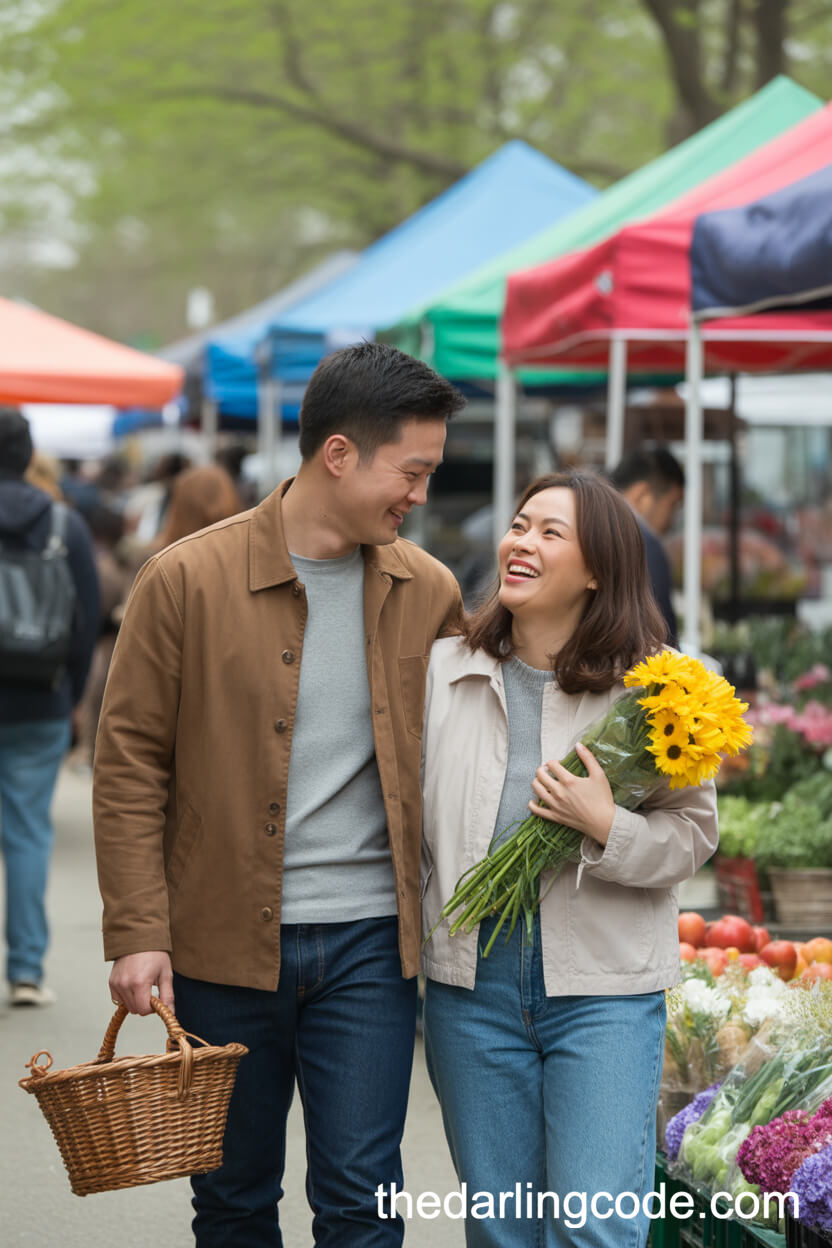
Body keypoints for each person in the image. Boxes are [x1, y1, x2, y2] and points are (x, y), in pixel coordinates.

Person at [93, 342, 465, 1247]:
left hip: (373, 947)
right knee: (231, 1198)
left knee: (362, 1197)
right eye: (410, 472)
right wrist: (139, 929)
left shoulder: (430, 592)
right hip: (221, 948)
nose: (419, 495)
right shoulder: (185, 580)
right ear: (338, 454)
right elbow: (130, 762)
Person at [420, 471, 718, 1248]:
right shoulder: (445, 671)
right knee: (502, 1229)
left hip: (602, 991)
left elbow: (692, 838)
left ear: (597, 569)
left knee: (595, 1229)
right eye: (520, 525)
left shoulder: (655, 690)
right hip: (471, 987)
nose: (522, 542)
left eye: (551, 533)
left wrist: (607, 825)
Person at [0, 409, 99, 1006]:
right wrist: (74, 699)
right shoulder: (65, 524)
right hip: (41, 701)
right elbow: (85, 623)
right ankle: (27, 969)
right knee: (29, 833)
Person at [608, 445, 685, 645]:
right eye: (673, 505)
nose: (671, 521)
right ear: (643, 495)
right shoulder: (644, 546)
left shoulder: (582, 525)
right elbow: (663, 644)